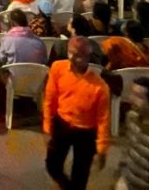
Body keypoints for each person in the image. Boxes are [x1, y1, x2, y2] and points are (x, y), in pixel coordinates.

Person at [43, 35, 111, 190]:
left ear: (88, 56)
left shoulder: (99, 87)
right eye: (70, 53)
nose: (73, 58)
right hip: (62, 124)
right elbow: (49, 100)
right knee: (52, 166)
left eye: (78, 55)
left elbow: (103, 120)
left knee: (80, 174)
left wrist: (102, 149)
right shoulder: (58, 68)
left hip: (86, 132)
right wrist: (48, 128)